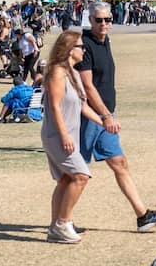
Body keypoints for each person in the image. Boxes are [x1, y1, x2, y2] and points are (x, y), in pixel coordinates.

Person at [77, 2, 156, 232]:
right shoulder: (84, 45)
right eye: (99, 20)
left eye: (107, 20)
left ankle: (143, 216)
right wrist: (106, 115)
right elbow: (87, 86)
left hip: (106, 115)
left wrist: (109, 114)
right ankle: (60, 220)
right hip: (91, 116)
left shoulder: (105, 40)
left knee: (119, 163)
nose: (104, 24)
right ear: (90, 20)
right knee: (77, 172)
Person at [41, 30, 107, 244]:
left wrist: (105, 122)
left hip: (69, 134)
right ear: (70, 49)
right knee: (81, 176)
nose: (84, 50)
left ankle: (54, 228)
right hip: (57, 134)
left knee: (66, 179)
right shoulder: (57, 73)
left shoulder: (73, 73)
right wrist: (63, 135)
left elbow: (82, 107)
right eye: (80, 46)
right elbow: (54, 107)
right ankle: (63, 222)